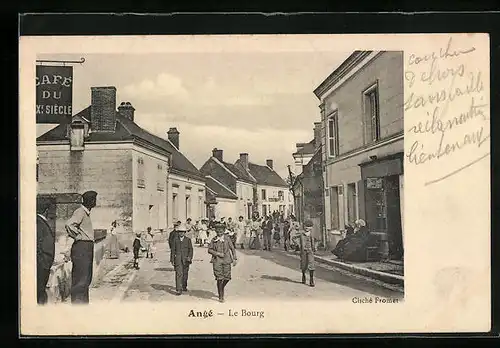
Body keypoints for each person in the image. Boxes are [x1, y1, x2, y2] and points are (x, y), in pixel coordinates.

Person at [65, 190, 97, 304]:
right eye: (93, 199)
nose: (95, 202)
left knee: (86, 278)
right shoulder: (80, 212)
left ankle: (83, 304)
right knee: (80, 279)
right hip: (81, 248)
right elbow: (69, 224)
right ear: (88, 201)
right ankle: (78, 306)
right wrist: (78, 236)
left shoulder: (86, 213)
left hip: (86, 247)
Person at [208, 223, 237, 302]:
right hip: (217, 260)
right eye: (218, 231)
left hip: (227, 260)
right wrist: (217, 253)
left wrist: (235, 258)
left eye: (221, 230)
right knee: (219, 278)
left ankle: (221, 287)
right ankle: (221, 296)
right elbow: (209, 250)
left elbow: (232, 248)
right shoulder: (213, 240)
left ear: (224, 231)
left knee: (227, 277)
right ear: (216, 231)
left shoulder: (227, 239)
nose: (219, 232)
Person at [37, 197, 55, 305]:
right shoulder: (39, 223)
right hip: (41, 266)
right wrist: (44, 263)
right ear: (46, 211)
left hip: (43, 264)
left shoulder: (39, 222)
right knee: (40, 295)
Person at [170, 223, 193, 295]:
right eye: (180, 232)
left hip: (186, 260)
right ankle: (178, 289)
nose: (181, 233)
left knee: (185, 274)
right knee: (179, 274)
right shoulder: (175, 240)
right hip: (178, 259)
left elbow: (191, 250)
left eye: (182, 232)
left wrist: (189, 257)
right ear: (178, 232)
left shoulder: (188, 240)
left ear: (185, 233)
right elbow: (173, 250)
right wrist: (172, 259)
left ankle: (184, 286)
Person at [292, 220, 316, 287]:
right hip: (303, 251)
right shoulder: (301, 233)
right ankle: (303, 275)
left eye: (309, 227)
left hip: (310, 251)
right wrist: (298, 245)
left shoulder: (312, 233)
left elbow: (313, 241)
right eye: (306, 226)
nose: (307, 228)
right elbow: (293, 238)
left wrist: (314, 247)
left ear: (311, 227)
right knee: (304, 264)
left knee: (311, 265)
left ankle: (311, 280)